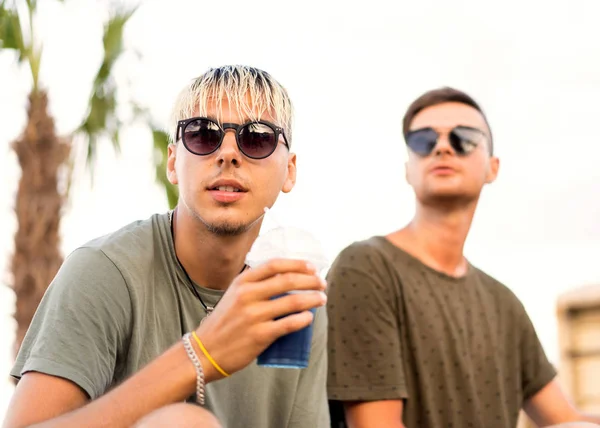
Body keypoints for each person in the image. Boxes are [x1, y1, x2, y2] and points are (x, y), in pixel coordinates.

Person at [4, 65, 329, 428]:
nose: (228, 154)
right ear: (173, 162)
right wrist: (200, 355)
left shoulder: (294, 294)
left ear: (290, 171)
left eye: (257, 138)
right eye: (204, 135)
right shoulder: (105, 270)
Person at [325, 87, 600, 428]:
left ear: (492, 167)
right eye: (423, 140)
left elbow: (568, 420)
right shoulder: (366, 268)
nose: (442, 147)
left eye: (464, 138)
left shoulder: (504, 303)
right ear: (408, 169)